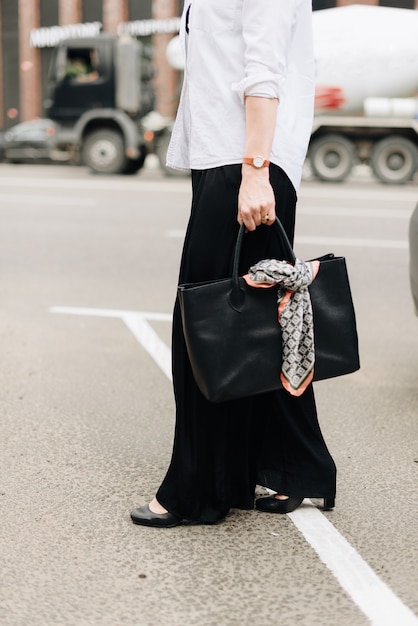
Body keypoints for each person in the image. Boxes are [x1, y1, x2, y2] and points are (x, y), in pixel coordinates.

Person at [131, 0, 336, 528]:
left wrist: (254, 172)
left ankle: (196, 489)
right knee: (266, 327)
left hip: (243, 167)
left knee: (205, 330)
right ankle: (292, 469)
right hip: (230, 163)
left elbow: (264, 74)